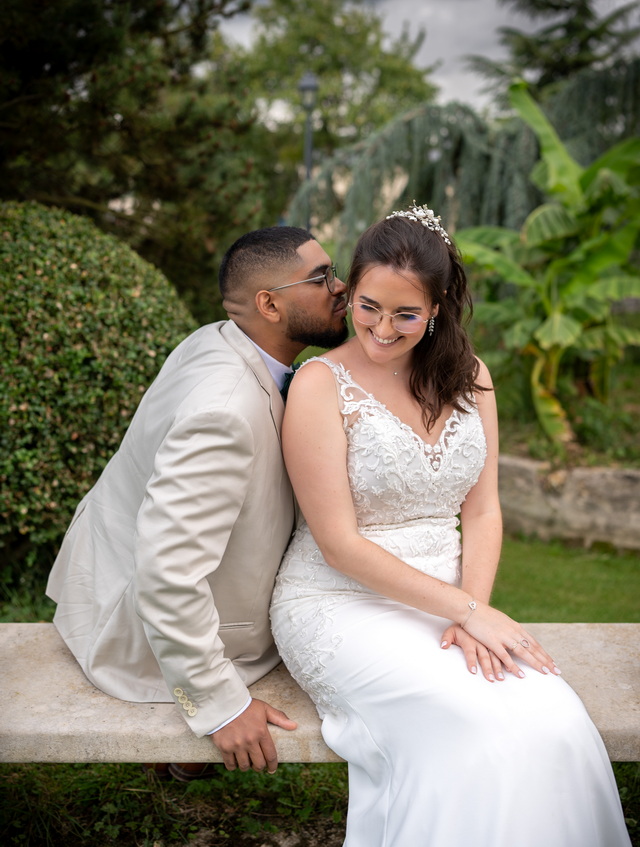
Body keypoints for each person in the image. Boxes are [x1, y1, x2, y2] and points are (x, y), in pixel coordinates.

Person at [270, 204, 631, 846]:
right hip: (338, 602)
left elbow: (484, 510)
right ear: (351, 291)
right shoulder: (319, 385)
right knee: (477, 731)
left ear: (436, 308)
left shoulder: (472, 379)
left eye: (405, 314)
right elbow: (339, 544)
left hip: (449, 600)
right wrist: (466, 610)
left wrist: (475, 613)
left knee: (557, 720)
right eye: (368, 306)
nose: (383, 328)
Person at [46, 225, 348, 780]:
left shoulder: (220, 337)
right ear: (270, 304)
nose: (342, 286)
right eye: (323, 276)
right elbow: (167, 570)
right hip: (133, 628)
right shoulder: (224, 412)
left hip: (103, 570)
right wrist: (220, 705)